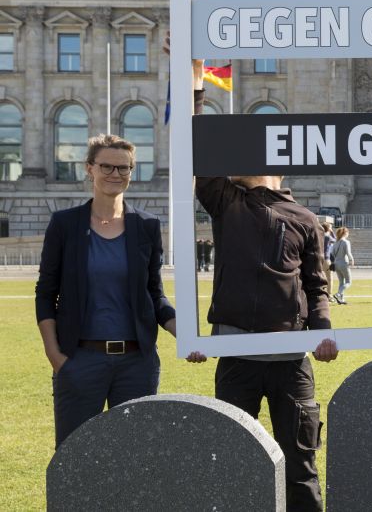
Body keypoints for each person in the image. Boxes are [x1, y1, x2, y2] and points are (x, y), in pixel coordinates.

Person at [191, 58, 338, 512]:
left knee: (301, 465)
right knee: (233, 463)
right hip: (237, 356)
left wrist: (323, 330)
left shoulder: (306, 219)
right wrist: (196, 85)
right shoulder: (225, 202)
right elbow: (198, 145)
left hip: (291, 359)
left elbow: (316, 284)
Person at [35, 134, 180, 447]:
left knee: (135, 459)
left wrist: (184, 332)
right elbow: (45, 294)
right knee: (74, 458)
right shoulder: (65, 224)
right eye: (107, 167)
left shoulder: (147, 225)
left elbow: (155, 294)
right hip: (80, 360)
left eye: (123, 168)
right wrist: (55, 355)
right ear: (90, 168)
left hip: (136, 365)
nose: (116, 174)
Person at [332, 227, 353, 305]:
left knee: (341, 282)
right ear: (345, 233)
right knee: (348, 282)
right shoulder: (346, 242)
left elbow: (333, 254)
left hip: (336, 263)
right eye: (347, 232)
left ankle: (341, 299)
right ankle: (338, 294)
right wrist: (352, 260)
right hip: (344, 263)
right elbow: (348, 253)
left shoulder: (335, 242)